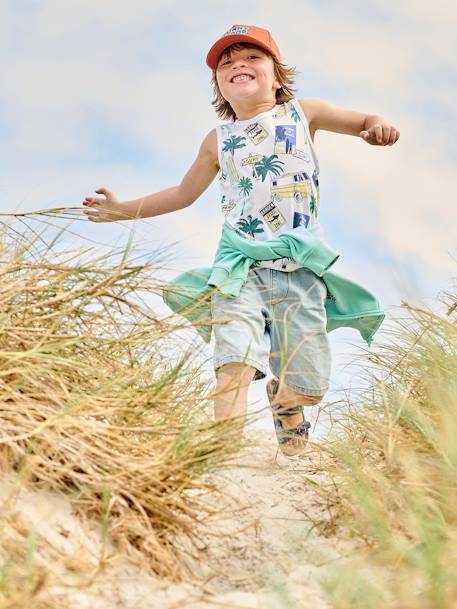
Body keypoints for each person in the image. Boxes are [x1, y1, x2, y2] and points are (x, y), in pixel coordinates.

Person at [82, 24, 399, 457]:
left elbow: (364, 120)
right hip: (239, 270)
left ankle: (286, 405)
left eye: (252, 57)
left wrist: (377, 126)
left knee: (308, 385)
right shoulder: (218, 141)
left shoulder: (304, 113)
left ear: (277, 76)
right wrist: (122, 210)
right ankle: (222, 460)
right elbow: (181, 193)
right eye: (226, 64)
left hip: (301, 272)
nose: (238, 66)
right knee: (233, 364)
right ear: (219, 87)